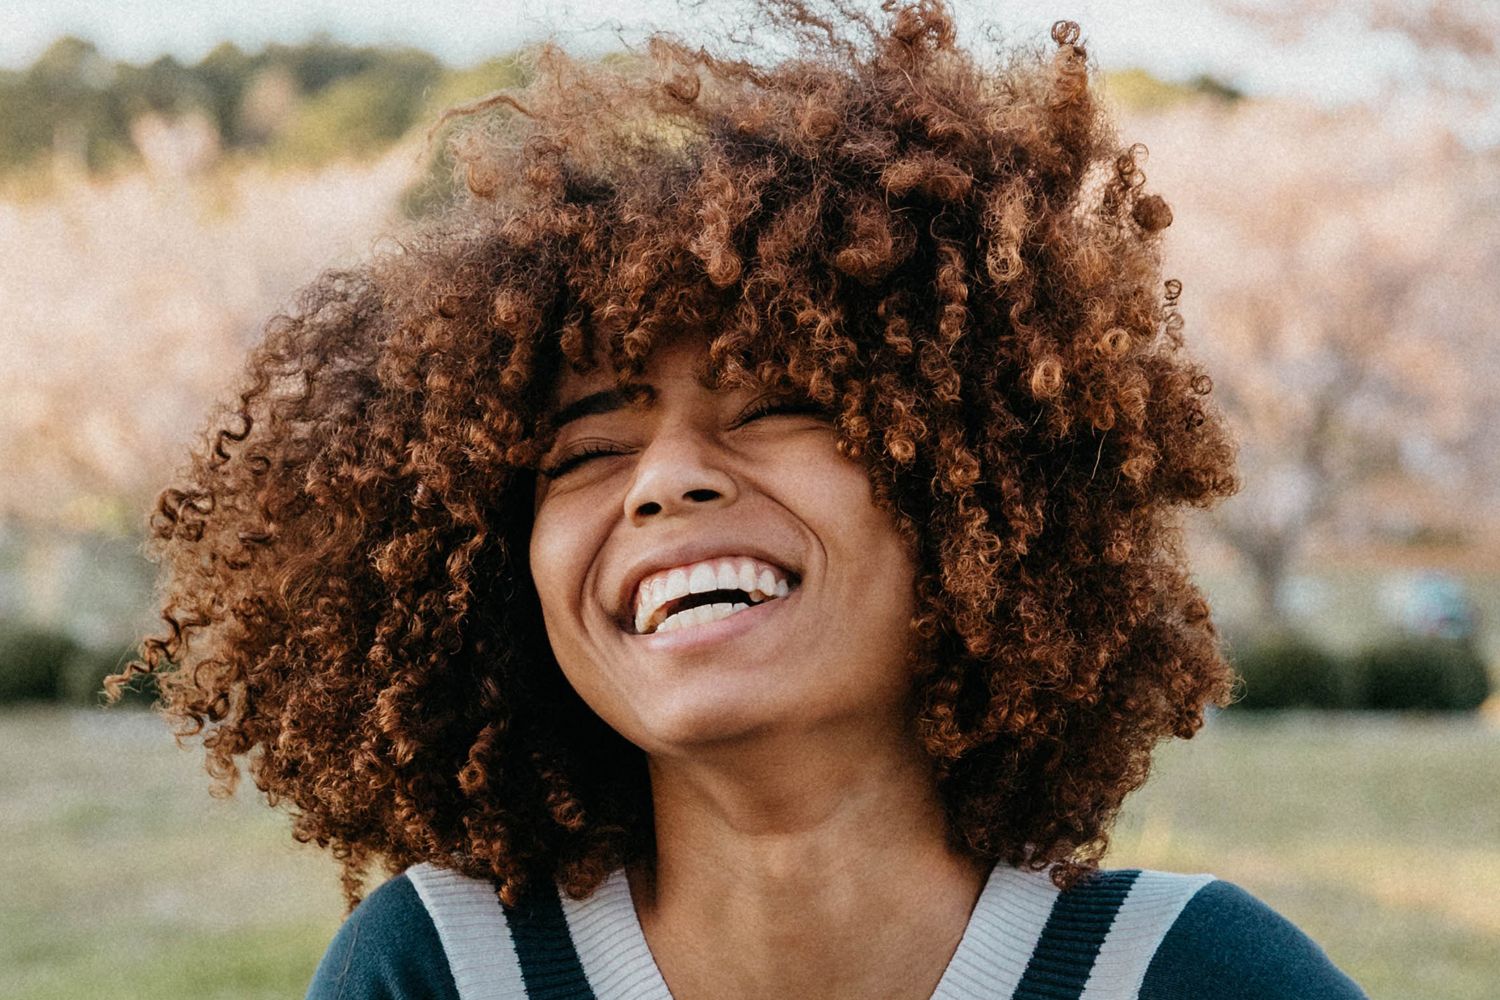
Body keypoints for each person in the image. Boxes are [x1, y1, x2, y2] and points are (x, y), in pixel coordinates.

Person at [113, 2, 1369, 997]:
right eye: (583, 452)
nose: (666, 478)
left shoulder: (1186, 973)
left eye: (775, 404)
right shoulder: (442, 969)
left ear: (973, 489)